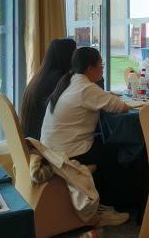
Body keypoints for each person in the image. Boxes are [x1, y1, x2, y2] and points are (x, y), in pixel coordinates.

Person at [41, 47, 130, 225]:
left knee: (104, 146)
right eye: (101, 65)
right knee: (115, 152)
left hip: (51, 149)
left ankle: (104, 203)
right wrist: (107, 96)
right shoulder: (86, 89)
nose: (102, 68)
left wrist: (104, 95)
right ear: (90, 68)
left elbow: (95, 98)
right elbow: (122, 107)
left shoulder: (69, 82)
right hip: (68, 154)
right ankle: (105, 209)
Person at [20, 38, 76, 139]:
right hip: (42, 141)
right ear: (68, 56)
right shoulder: (60, 80)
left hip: (30, 139)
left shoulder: (41, 76)